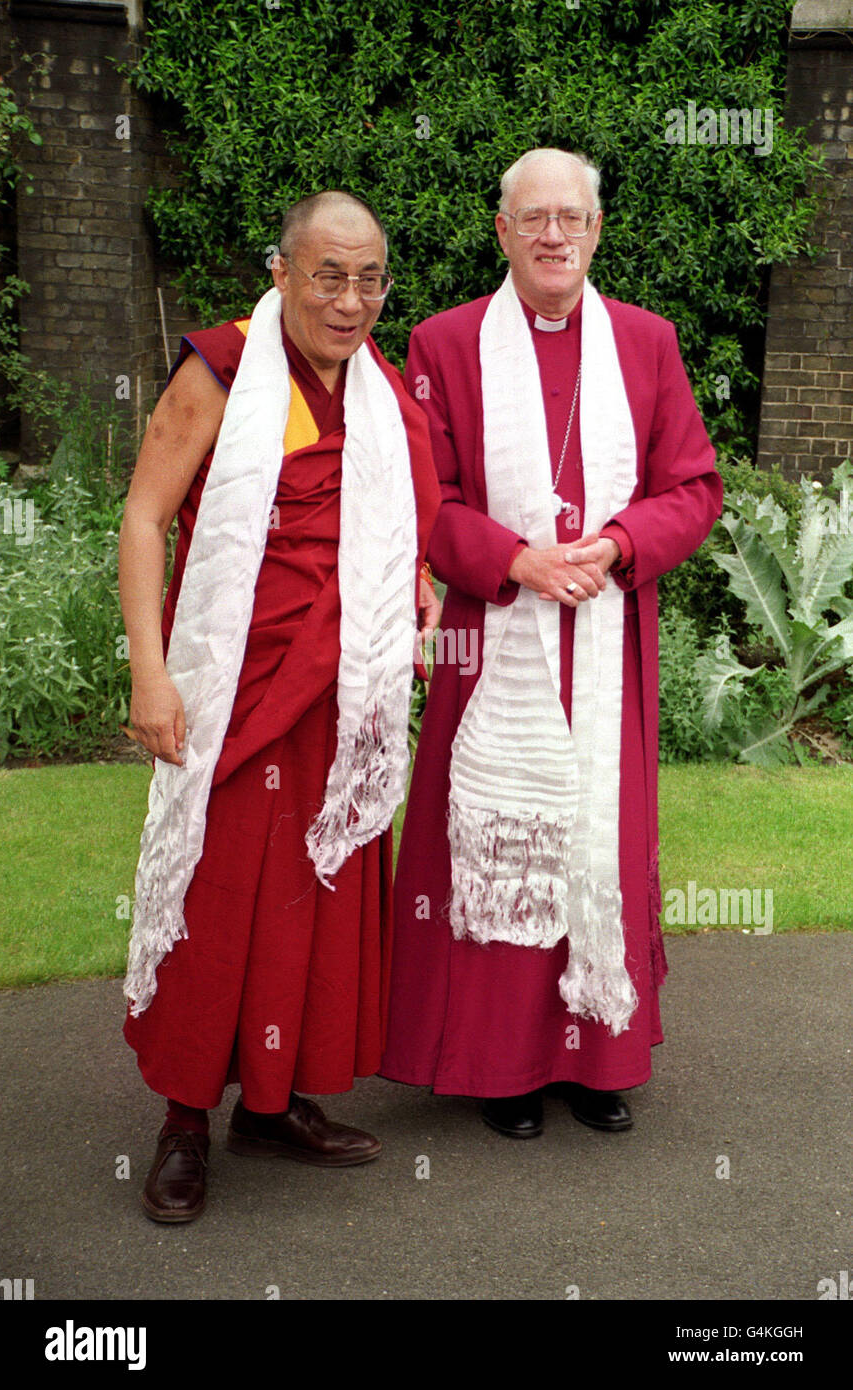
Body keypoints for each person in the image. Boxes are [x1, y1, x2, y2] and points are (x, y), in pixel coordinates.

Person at [380, 149, 723, 1138]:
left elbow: (693, 488)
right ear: (502, 232)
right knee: (502, 834)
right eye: (533, 217)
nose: (553, 235)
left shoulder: (649, 343)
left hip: (607, 641)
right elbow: (422, 499)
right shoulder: (445, 346)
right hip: (497, 641)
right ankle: (503, 1069)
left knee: (595, 837)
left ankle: (595, 1056)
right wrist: (516, 559)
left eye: (571, 217)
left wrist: (618, 545)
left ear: (596, 230)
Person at [119, 190, 441, 1221]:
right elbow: (140, 516)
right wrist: (148, 674)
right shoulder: (219, 369)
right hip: (235, 687)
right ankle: (182, 1118)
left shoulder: (380, 393)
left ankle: (272, 1100)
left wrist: (418, 585)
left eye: (370, 279)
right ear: (282, 273)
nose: (350, 300)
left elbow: (402, 527)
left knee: (319, 893)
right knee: (220, 901)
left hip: (342, 698)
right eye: (328, 276)